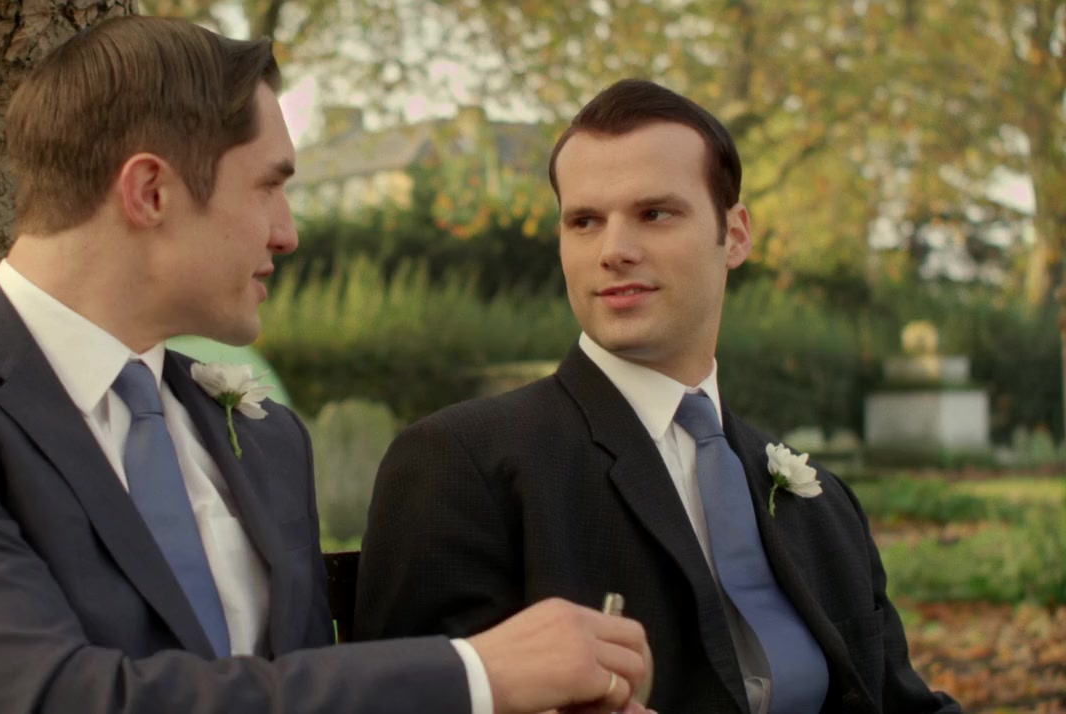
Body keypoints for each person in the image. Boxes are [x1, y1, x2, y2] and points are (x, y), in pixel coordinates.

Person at [0, 18, 653, 713]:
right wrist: (474, 675)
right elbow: (55, 699)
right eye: (269, 186)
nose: (289, 232)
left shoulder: (263, 437)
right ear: (151, 192)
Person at [354, 78, 962, 714]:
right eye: (585, 221)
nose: (614, 251)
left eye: (654, 214)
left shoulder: (825, 504)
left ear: (735, 235)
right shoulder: (460, 464)